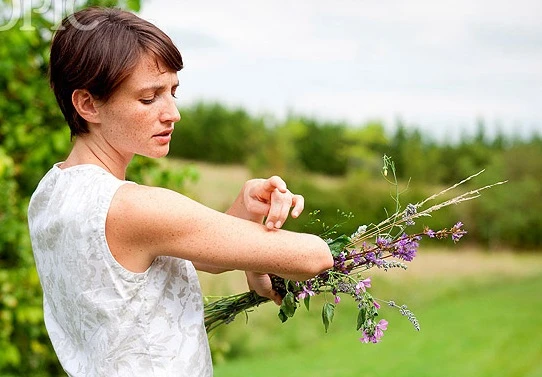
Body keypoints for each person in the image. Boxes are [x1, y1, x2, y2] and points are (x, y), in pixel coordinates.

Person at [27, 6, 333, 377]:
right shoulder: (133, 207)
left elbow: (197, 256)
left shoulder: (52, 192)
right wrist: (263, 251)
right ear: (88, 104)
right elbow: (314, 256)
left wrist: (247, 214)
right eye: (149, 97)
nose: (173, 113)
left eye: (173, 91)